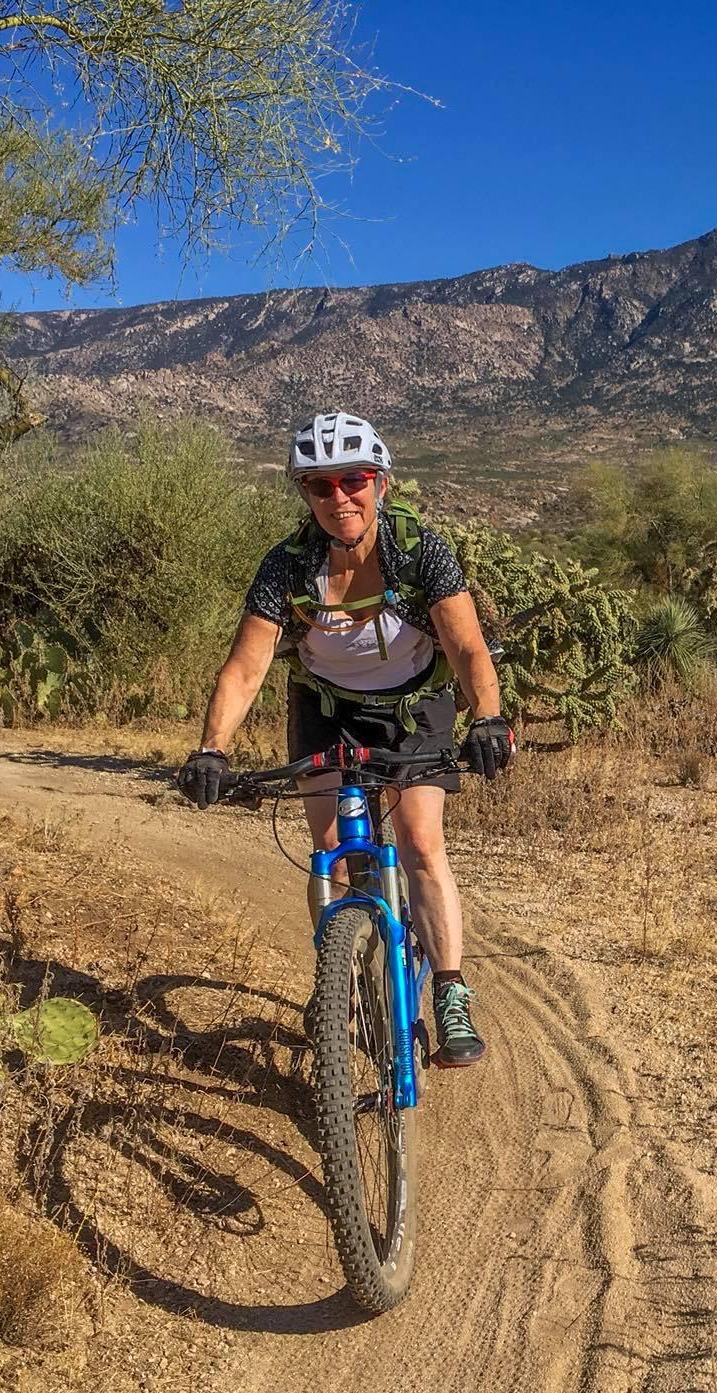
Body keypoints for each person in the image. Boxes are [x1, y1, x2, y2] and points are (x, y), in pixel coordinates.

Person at [177, 412, 515, 1067]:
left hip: (414, 707)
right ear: (304, 494)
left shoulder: (418, 551)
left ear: (380, 483)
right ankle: (336, 984)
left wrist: (488, 719)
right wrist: (211, 748)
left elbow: (467, 647)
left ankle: (448, 991)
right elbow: (245, 667)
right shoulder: (288, 566)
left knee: (419, 840)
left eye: (353, 480)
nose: (340, 498)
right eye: (320, 486)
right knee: (329, 849)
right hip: (326, 706)